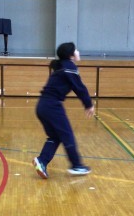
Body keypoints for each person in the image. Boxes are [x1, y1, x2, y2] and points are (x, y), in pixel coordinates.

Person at [32, 42, 95, 179]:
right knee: (67, 135)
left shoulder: (62, 67)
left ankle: (42, 161)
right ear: (71, 55)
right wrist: (89, 104)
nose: (78, 52)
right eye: (76, 50)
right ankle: (77, 165)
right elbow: (79, 87)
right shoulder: (69, 67)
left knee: (55, 137)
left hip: (42, 106)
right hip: (52, 106)